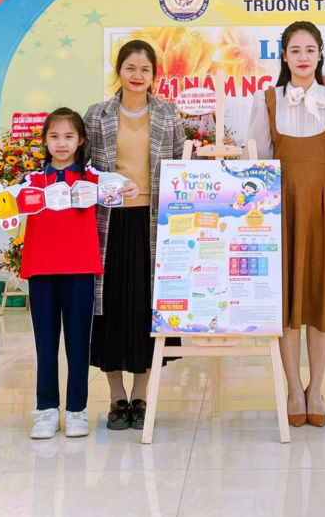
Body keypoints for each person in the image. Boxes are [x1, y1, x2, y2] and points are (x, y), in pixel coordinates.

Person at [0, 109, 135, 439]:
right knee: (45, 343)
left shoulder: (91, 177)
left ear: (80, 141)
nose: (61, 143)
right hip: (41, 271)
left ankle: (77, 410)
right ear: (45, 141)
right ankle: (47, 410)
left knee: (78, 344)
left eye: (68, 137)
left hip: (81, 270)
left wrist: (127, 186)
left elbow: (118, 183)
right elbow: (2, 201)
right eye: (54, 137)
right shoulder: (31, 182)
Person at [248, 20, 325, 427]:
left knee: (319, 298)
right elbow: (255, 160)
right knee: (287, 301)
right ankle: (294, 387)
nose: (303, 57)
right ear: (283, 56)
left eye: (310, 49)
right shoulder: (267, 99)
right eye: (295, 50)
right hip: (282, 208)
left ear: (321, 54)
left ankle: (317, 389)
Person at [85, 40, 186, 431]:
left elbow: (180, 168)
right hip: (108, 224)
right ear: (119, 71)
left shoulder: (168, 114)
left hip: (154, 225)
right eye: (130, 67)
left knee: (147, 309)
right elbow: (83, 167)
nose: (137, 75)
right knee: (108, 309)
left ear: (154, 74)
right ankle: (116, 397)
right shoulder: (97, 114)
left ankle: (141, 395)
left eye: (145, 69)